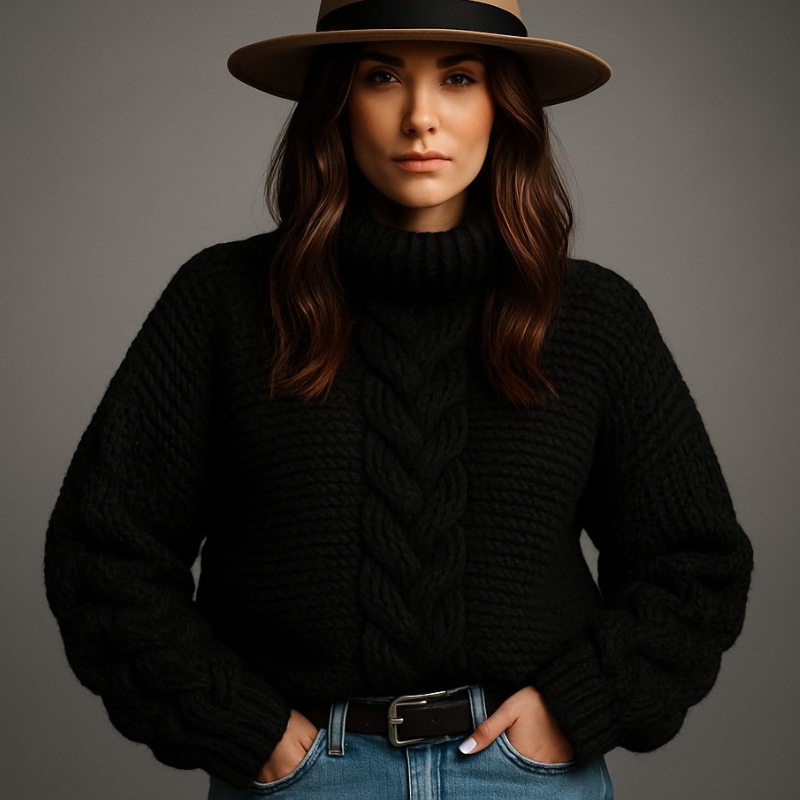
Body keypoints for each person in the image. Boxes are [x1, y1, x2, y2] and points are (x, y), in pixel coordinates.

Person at [44, 2, 754, 798]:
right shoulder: (223, 304)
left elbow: (694, 563)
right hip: (306, 778)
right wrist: (246, 730)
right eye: (382, 76)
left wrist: (579, 705)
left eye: (458, 78)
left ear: (504, 108)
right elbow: (105, 555)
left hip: (524, 780)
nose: (421, 118)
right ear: (336, 103)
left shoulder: (593, 319)